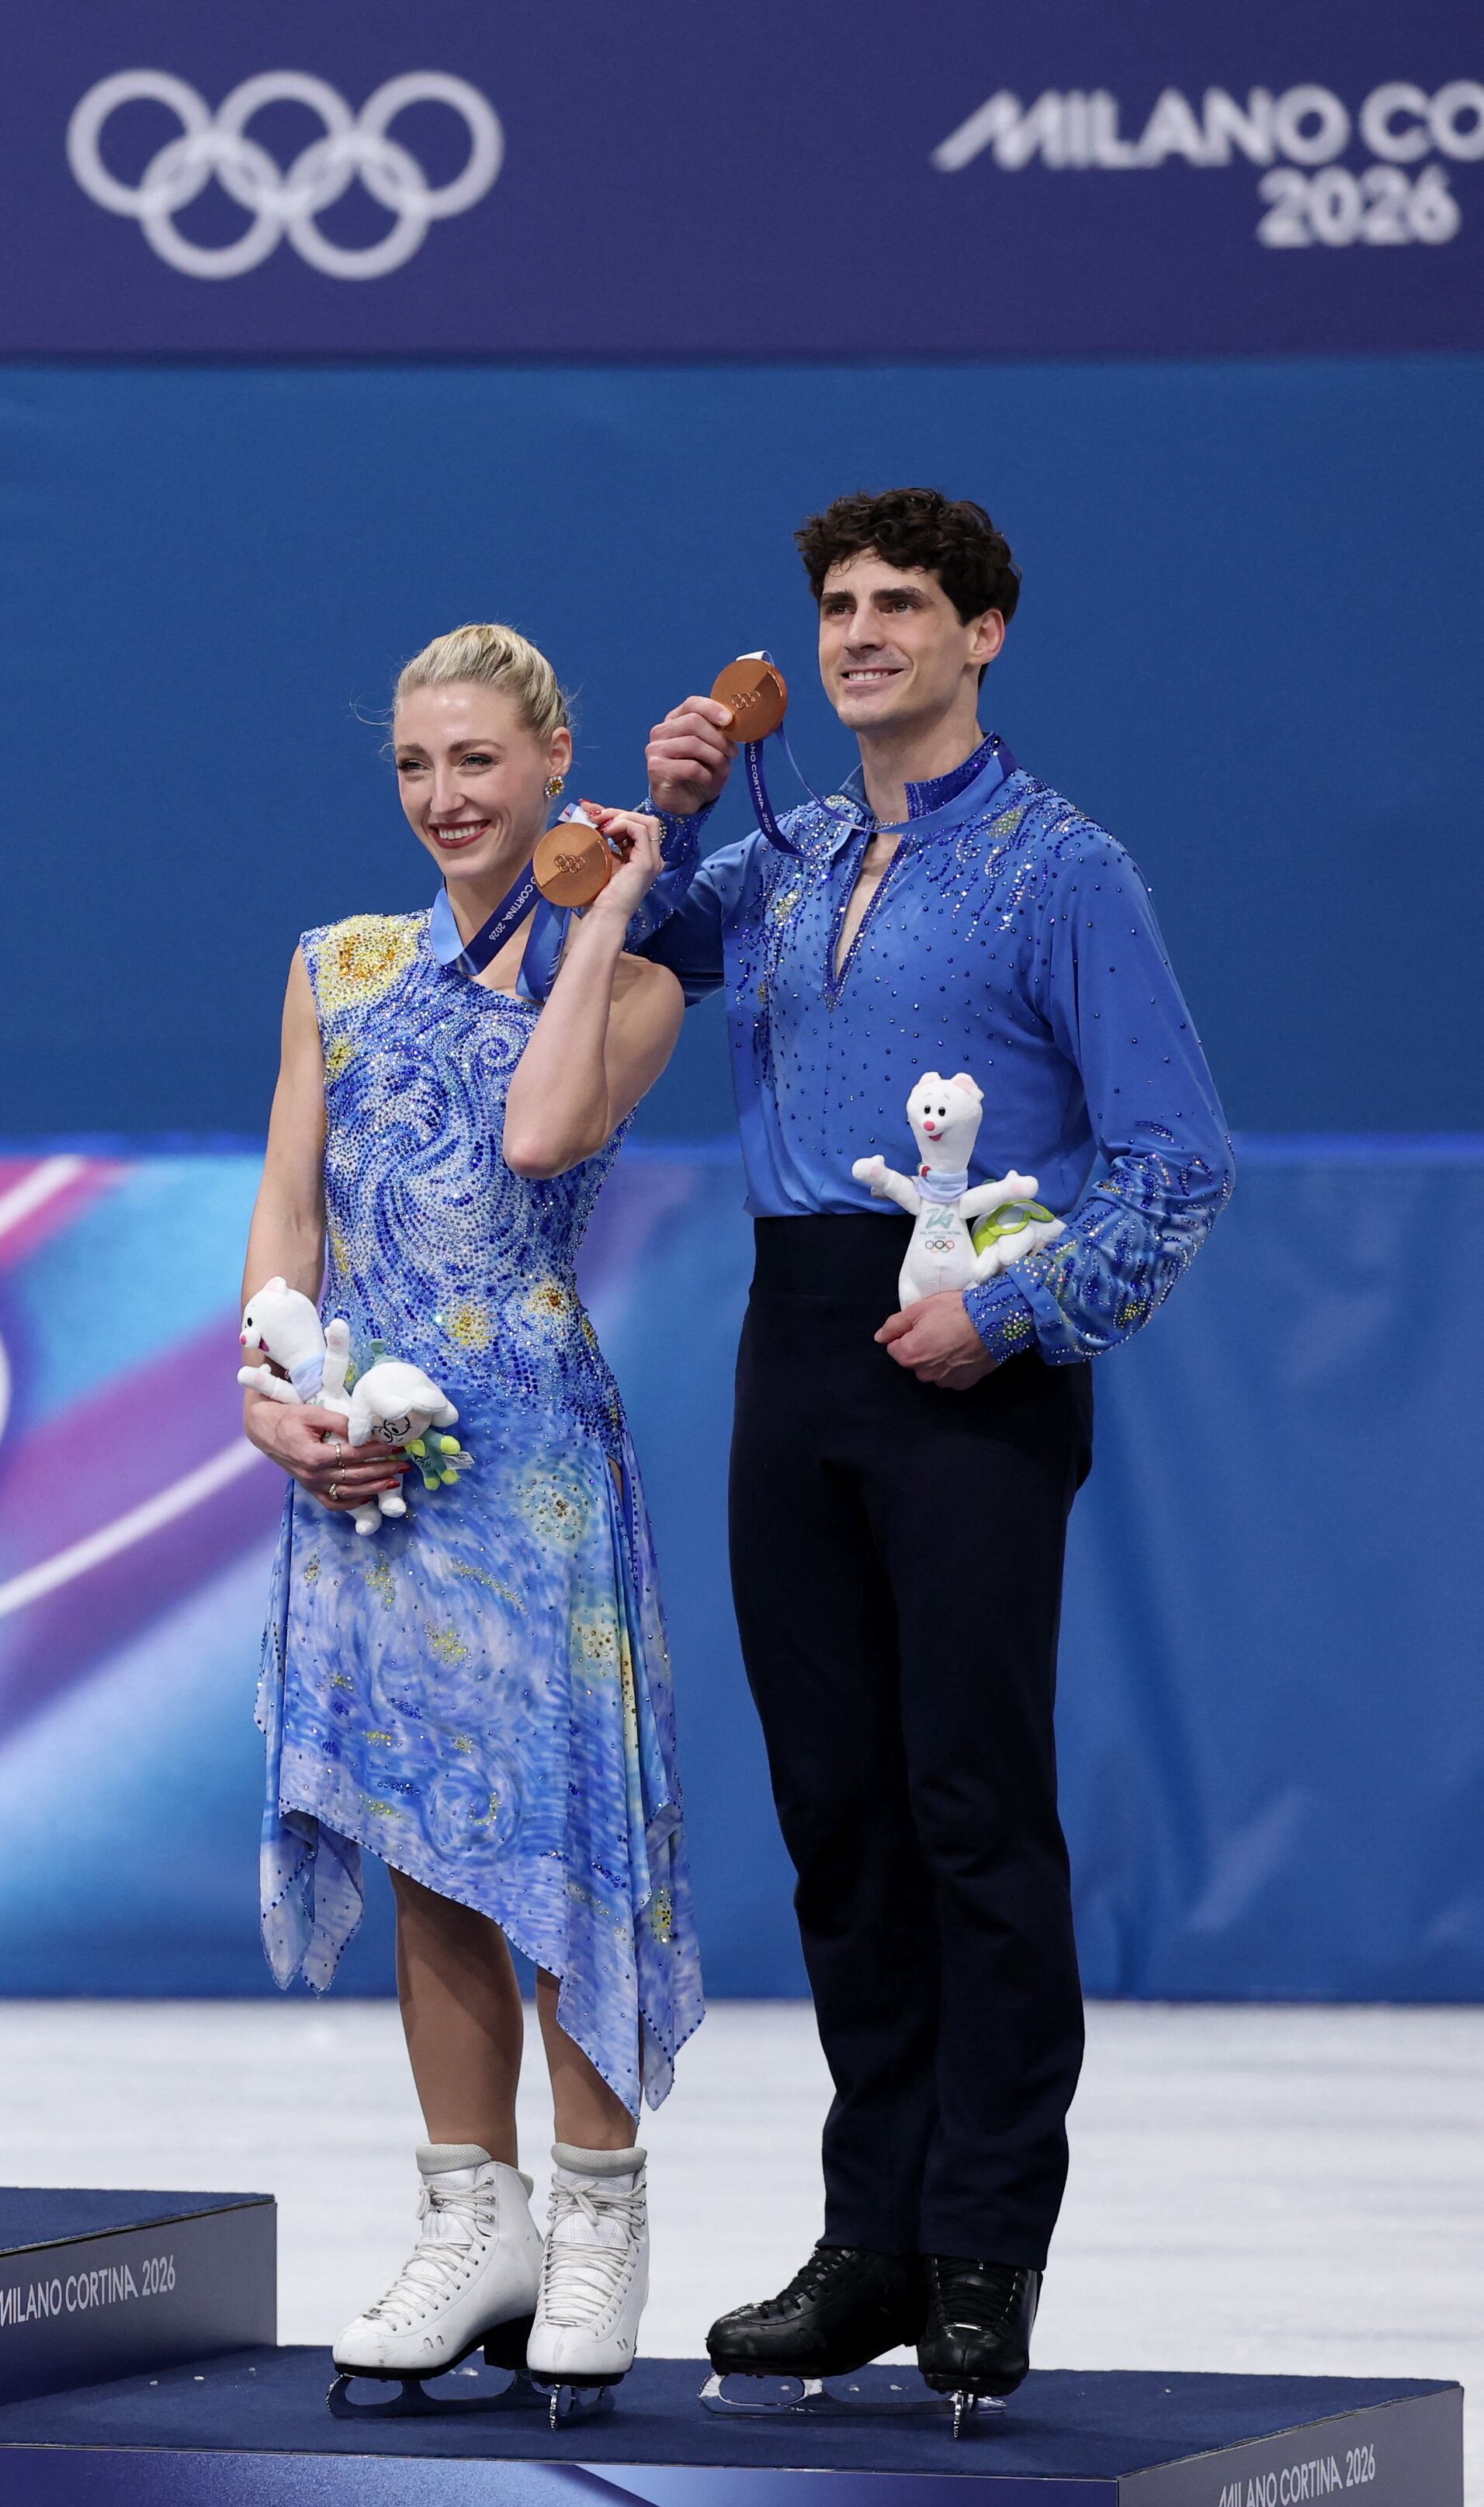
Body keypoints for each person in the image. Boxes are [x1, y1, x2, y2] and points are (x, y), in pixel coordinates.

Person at [637, 491, 1230, 2410]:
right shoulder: (791, 856)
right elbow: (626, 930)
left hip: (971, 1355)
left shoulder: (1067, 873)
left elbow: (1177, 1162)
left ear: (986, 636)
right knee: (837, 1819)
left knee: (969, 1810)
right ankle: (869, 2233)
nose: (863, 630)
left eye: (905, 603)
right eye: (837, 603)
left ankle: (986, 2243)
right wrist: (673, 799)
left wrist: (1022, 1308)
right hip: (792, 1340)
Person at [243, 625, 704, 2396]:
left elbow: (532, 1134)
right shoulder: (332, 963)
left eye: (478, 765)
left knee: (557, 1843)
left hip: (528, 1456)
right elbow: (289, 1202)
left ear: (552, 760)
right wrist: (268, 1397)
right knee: (424, 1838)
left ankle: (597, 2220)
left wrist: (601, 911)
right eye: (417, 769)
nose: (445, 798)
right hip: (363, 1445)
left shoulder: (638, 980)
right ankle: (472, 2216)